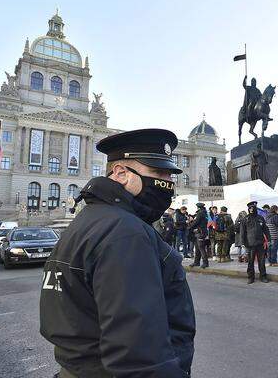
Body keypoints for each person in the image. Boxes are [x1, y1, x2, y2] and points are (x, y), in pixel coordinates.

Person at [40, 129, 195, 376]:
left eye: (169, 173)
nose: (168, 182)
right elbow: (139, 354)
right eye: (157, 173)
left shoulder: (89, 220)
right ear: (121, 173)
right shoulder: (126, 231)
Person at [242, 201, 270, 284]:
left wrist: (268, 239)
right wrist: (243, 243)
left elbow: (265, 229)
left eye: (253, 207)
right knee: (250, 262)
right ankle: (250, 277)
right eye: (250, 208)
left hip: (260, 243)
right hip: (250, 244)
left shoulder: (260, 218)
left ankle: (263, 276)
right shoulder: (246, 219)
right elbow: (242, 231)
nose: (252, 209)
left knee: (261, 261)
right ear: (248, 209)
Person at [189, 202, 209, 268]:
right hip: (202, 231)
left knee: (201, 247)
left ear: (198, 207)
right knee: (197, 248)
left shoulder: (200, 213)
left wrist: (190, 226)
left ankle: (205, 263)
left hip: (200, 232)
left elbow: (196, 222)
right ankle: (196, 262)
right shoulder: (205, 212)